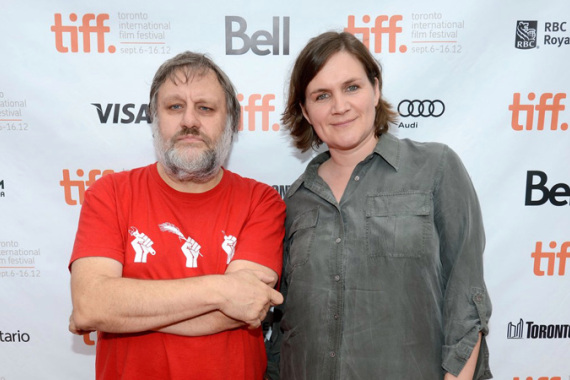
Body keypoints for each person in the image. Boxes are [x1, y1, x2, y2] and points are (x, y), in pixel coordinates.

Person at [270, 31, 492, 379]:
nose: (339, 106)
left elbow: (467, 299)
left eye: (352, 87)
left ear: (376, 88)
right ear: (305, 110)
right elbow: (286, 328)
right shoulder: (296, 201)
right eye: (321, 95)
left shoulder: (436, 168)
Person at [68, 51, 286, 379]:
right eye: (174, 107)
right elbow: (91, 306)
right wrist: (222, 289)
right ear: (155, 118)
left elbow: (248, 307)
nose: (189, 121)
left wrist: (122, 308)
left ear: (231, 122)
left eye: (205, 108)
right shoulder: (110, 193)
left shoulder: (262, 201)